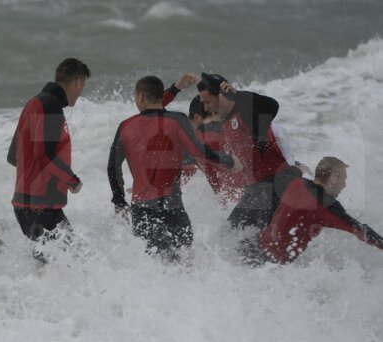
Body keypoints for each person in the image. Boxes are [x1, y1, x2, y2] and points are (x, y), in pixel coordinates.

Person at [107, 76, 241, 261]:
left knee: (151, 264)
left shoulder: (126, 126)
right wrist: (230, 161)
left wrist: (119, 201)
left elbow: (113, 167)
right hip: (173, 208)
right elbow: (200, 151)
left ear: (140, 97)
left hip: (142, 211)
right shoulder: (177, 120)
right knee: (184, 263)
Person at [7, 58, 90, 262]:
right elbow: (45, 154)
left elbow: (12, 156)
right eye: (83, 86)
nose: (81, 92)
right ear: (78, 82)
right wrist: (71, 180)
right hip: (40, 207)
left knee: (51, 268)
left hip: (28, 204)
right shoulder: (49, 105)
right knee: (75, 263)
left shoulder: (34, 103)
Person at [247, 157, 383, 265]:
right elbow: (361, 230)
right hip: (267, 265)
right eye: (343, 179)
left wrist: (298, 168)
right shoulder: (326, 206)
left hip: (251, 245)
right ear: (333, 178)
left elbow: (285, 174)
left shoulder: (296, 182)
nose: (344, 185)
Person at [197, 72, 289, 230]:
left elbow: (272, 106)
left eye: (207, 102)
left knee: (242, 242)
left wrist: (237, 95)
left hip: (274, 186)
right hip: (256, 190)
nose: (206, 108)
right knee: (229, 237)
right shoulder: (226, 120)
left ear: (221, 95)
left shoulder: (246, 112)